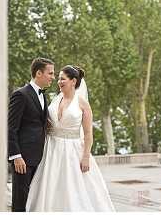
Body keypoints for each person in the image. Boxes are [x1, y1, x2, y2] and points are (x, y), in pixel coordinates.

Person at [26, 65, 115, 211]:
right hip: (51, 150)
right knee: (50, 186)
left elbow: (87, 133)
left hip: (73, 151)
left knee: (72, 188)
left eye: (62, 79)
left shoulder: (82, 104)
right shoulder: (55, 100)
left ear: (73, 81)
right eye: (59, 79)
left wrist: (86, 156)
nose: (59, 81)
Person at [8, 58, 56, 212]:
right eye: (50, 73)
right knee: (20, 202)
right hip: (23, 159)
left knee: (33, 201)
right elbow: (11, 127)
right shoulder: (20, 95)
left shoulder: (43, 95)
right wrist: (16, 156)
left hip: (39, 158)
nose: (53, 77)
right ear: (39, 73)